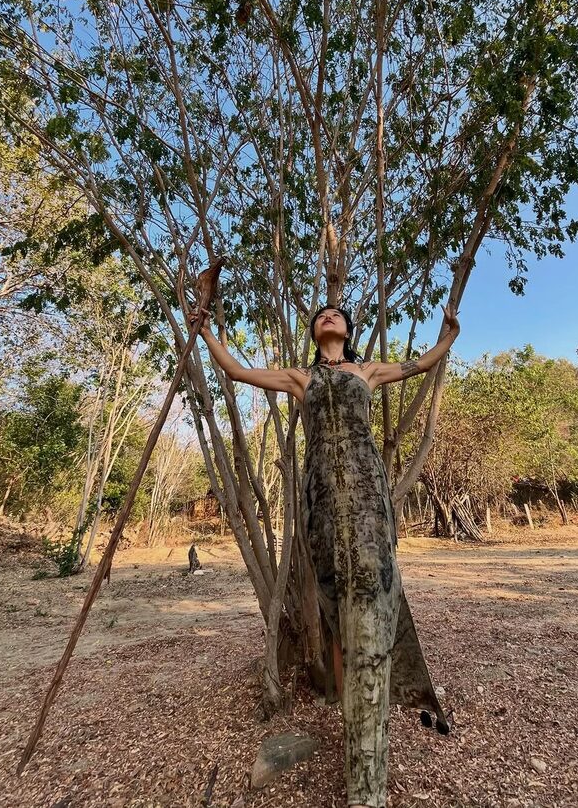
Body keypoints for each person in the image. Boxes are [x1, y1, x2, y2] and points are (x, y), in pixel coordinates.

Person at [193, 302, 459, 808]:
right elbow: (236, 371)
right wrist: (206, 333)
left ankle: (369, 764)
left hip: (368, 502)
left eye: (337, 315)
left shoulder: (367, 371)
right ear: (315, 333)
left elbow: (421, 364)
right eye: (321, 316)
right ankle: (351, 707)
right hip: (322, 503)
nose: (329, 318)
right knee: (340, 607)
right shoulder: (299, 378)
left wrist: (448, 336)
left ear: (348, 330)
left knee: (372, 602)